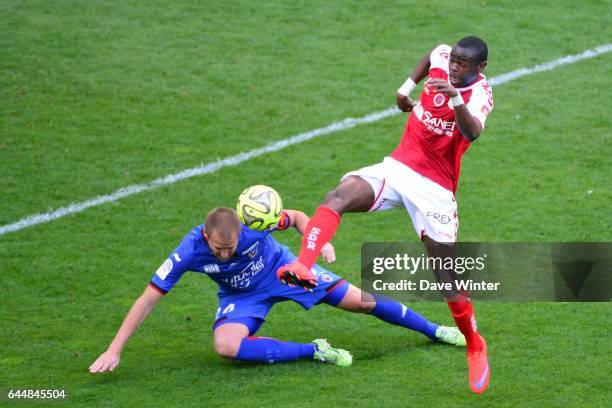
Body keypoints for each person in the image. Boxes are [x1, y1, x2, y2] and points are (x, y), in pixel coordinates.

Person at [276, 36, 493, 393]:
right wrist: (406, 88)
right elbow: (431, 54)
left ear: (479, 68)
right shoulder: (442, 58)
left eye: (462, 64)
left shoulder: (480, 95)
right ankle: (303, 265)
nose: (454, 66)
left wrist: (455, 97)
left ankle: (473, 342)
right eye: (453, 60)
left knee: (445, 277)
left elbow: (472, 133)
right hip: (398, 167)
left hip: (434, 189)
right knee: (339, 196)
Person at [89, 207, 465, 374]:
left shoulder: (254, 224)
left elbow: (301, 217)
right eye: (219, 250)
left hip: (286, 271)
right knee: (225, 347)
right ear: (205, 237)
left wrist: (316, 247)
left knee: (362, 301)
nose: (226, 252)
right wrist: (113, 349)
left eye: (231, 247)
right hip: (241, 297)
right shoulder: (187, 251)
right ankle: (315, 351)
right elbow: (148, 297)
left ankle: (436, 330)